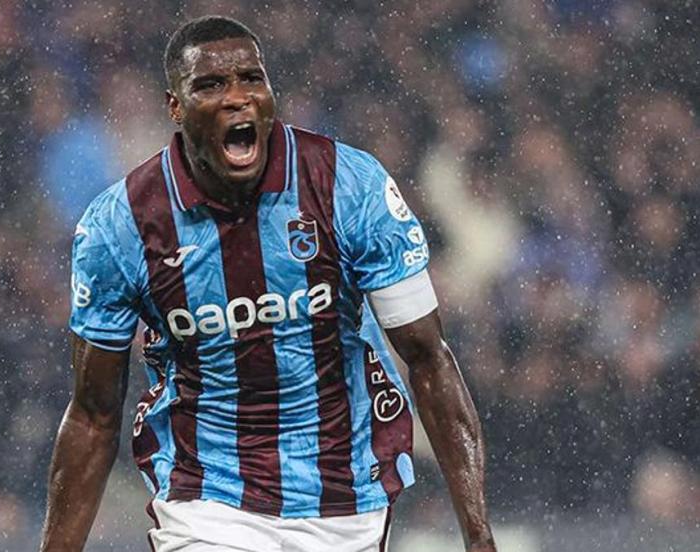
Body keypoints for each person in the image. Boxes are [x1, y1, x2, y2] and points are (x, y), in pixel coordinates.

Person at [39, 15, 497, 552]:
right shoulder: (121, 225)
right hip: (206, 498)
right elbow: (93, 415)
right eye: (211, 85)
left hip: (346, 495)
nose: (237, 98)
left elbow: (429, 358)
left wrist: (479, 536)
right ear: (175, 107)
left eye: (251, 79)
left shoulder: (348, 186)